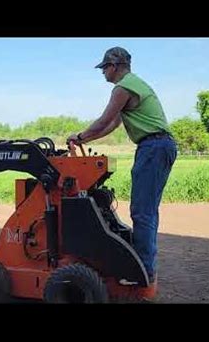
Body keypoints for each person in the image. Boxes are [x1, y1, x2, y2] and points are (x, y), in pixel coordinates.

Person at [67, 46, 177, 292]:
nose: (103, 72)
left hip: (153, 146)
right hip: (158, 146)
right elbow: (111, 126)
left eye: (104, 68)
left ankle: (142, 273)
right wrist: (83, 140)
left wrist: (79, 135)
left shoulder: (123, 88)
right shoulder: (134, 85)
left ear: (114, 66)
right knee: (146, 210)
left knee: (143, 212)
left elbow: (104, 121)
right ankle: (143, 265)